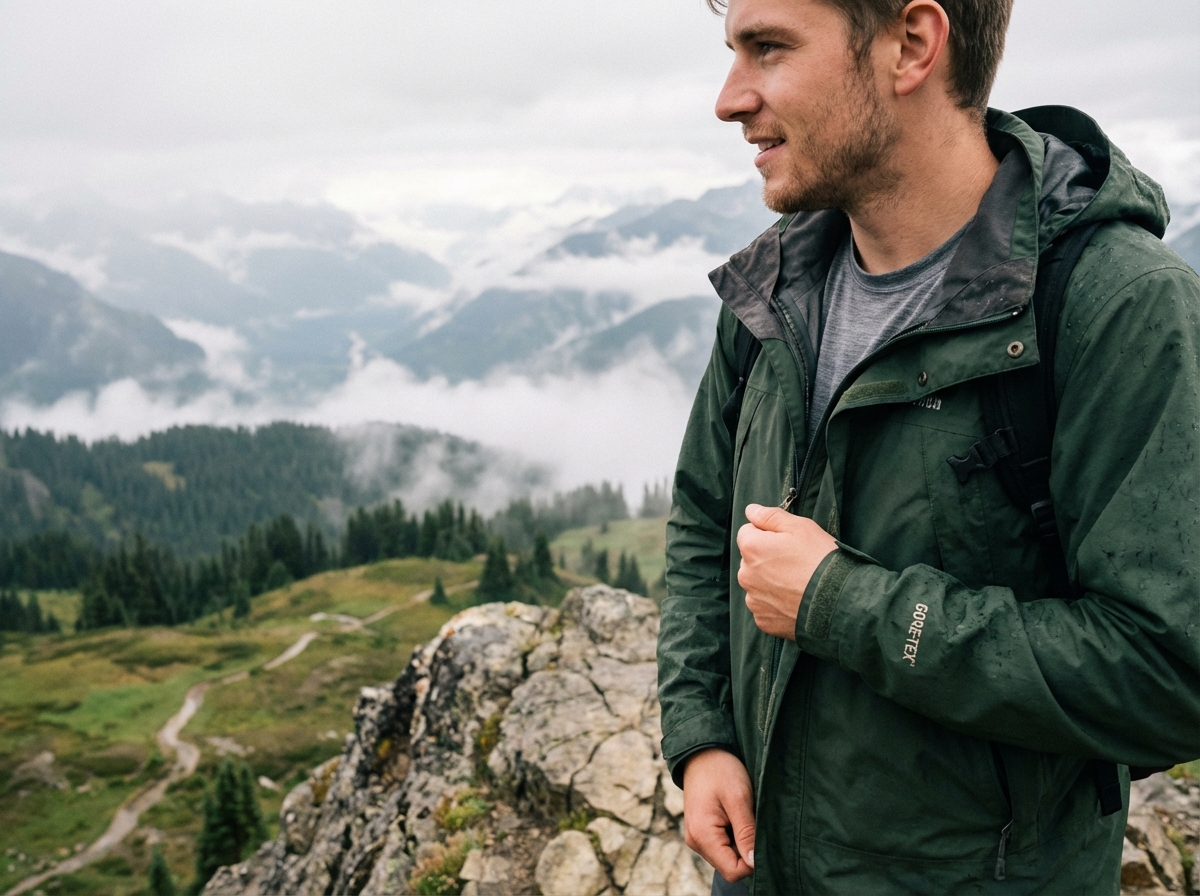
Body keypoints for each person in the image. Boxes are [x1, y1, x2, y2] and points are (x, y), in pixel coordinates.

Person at [655, 0, 1200, 892]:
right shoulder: (772, 289)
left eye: (768, 49)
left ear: (911, 44)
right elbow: (704, 520)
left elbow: (1172, 672)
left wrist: (843, 602)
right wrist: (702, 734)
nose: (729, 98)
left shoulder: (1116, 307)